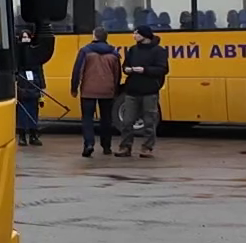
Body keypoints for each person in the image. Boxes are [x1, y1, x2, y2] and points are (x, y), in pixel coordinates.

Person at [114, 24, 170, 158]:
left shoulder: (158, 51)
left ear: (144, 35)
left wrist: (145, 70)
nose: (134, 36)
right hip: (132, 90)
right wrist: (127, 69)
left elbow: (163, 69)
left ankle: (147, 148)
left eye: (137, 33)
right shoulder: (133, 50)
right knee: (127, 121)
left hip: (149, 91)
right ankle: (125, 147)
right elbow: (125, 65)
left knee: (149, 121)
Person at [69, 26, 121, 157]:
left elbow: (77, 71)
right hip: (107, 91)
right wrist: (114, 89)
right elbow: (117, 74)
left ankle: (89, 144)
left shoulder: (85, 51)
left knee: (87, 118)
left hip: (88, 90)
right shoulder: (114, 53)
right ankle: (107, 146)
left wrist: (74, 87)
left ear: (94, 36)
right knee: (106, 119)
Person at [15, 24, 45, 146]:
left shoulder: (35, 54)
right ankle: (22, 136)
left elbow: (40, 73)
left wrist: (42, 92)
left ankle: (33, 135)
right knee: (22, 115)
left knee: (33, 113)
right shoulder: (17, 55)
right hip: (22, 89)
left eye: (28, 37)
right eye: (24, 37)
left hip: (34, 89)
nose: (26, 40)